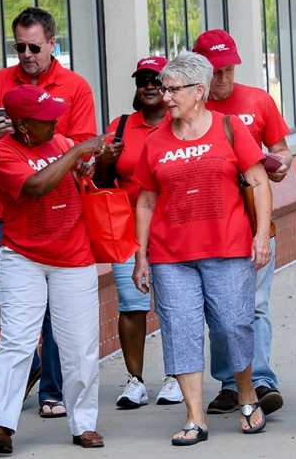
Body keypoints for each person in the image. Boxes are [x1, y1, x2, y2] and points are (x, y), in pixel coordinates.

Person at [132, 51, 273, 446]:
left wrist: (261, 234)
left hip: (226, 248)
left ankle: (246, 393)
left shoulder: (228, 128)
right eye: (164, 88)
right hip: (170, 256)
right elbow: (145, 200)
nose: (166, 96)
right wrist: (141, 254)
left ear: (199, 91)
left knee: (234, 324)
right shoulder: (156, 140)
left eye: (174, 89)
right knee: (180, 331)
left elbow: (259, 182)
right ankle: (195, 417)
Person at [0, 6, 97, 418]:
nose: (26, 55)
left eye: (34, 47)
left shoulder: (74, 86)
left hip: (57, 211)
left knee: (59, 307)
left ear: (52, 44)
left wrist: (39, 133)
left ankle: (52, 391)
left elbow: (81, 146)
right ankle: (34, 366)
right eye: (19, 46)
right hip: (6, 207)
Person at [0, 85, 108, 454]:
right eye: (46, 119)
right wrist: (77, 150)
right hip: (23, 258)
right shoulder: (3, 152)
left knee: (80, 346)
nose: (55, 122)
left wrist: (89, 160)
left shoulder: (61, 142)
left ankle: (84, 424)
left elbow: (80, 175)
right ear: (24, 125)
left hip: (73, 257)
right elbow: (36, 186)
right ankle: (0, 424)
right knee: (16, 340)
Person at [193, 28, 293, 416]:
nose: (222, 78)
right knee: (221, 309)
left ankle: (262, 379)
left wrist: (280, 164)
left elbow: (282, 151)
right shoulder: (190, 108)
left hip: (253, 217)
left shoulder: (258, 100)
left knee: (256, 304)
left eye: (228, 69)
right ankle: (230, 383)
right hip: (210, 223)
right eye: (215, 71)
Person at [93, 55, 184, 408]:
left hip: (172, 228)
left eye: (157, 79)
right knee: (132, 305)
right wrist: (106, 160)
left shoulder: (180, 124)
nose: (149, 85)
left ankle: (176, 377)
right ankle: (135, 380)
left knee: (174, 306)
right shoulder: (121, 126)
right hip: (127, 229)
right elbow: (101, 182)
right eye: (143, 79)